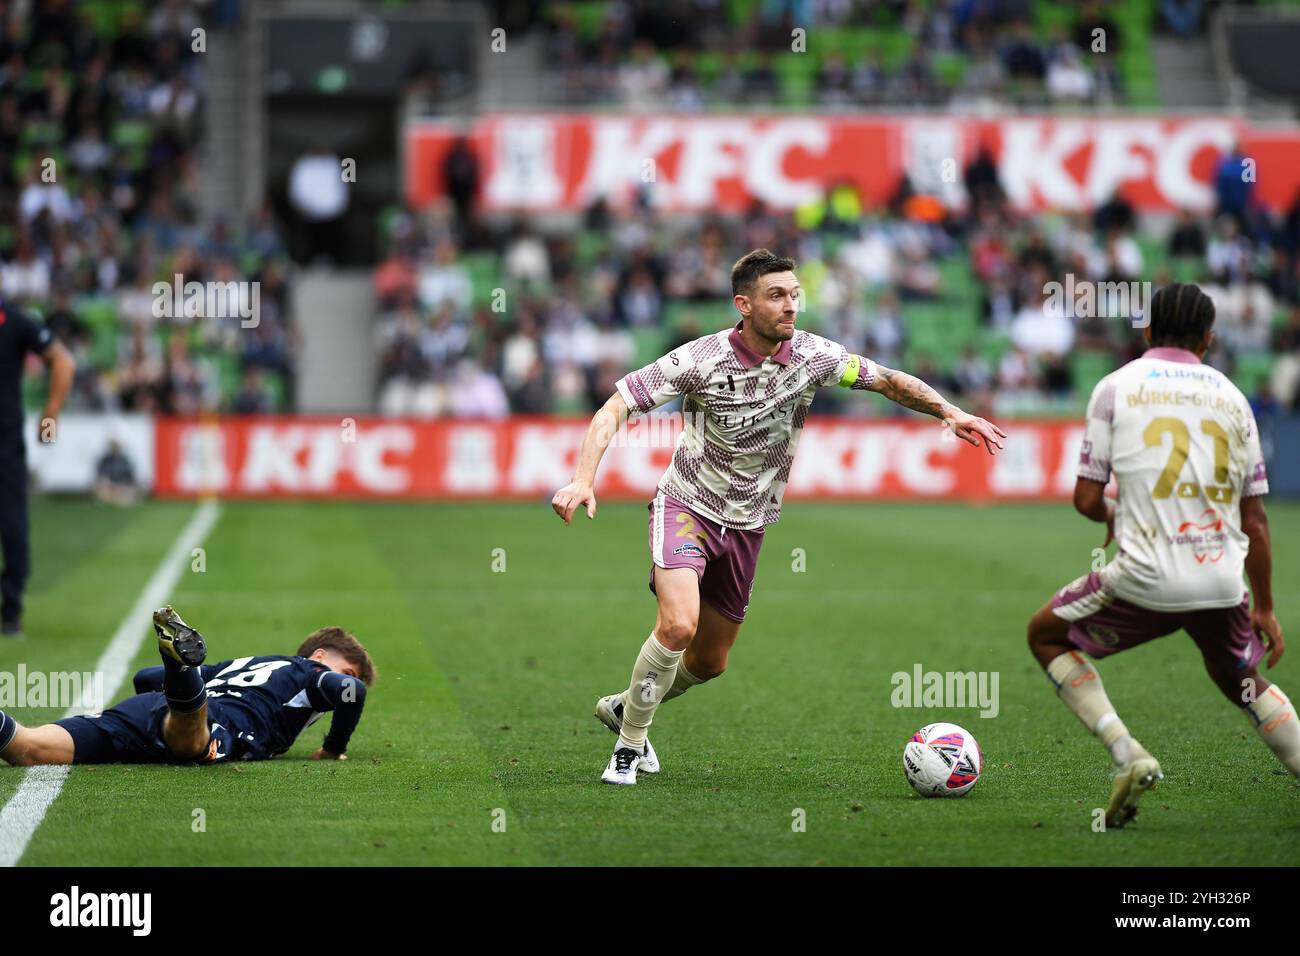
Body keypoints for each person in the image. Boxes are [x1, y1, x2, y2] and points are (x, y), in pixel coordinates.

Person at [551, 249, 1006, 785]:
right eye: (776, 296)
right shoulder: (699, 359)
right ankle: (629, 748)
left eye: (795, 295)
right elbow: (617, 405)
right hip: (686, 507)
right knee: (677, 625)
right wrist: (583, 478)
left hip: (749, 523)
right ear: (743, 304)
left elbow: (885, 380)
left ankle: (626, 706)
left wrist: (949, 411)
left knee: (709, 662)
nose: (791, 306)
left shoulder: (814, 355)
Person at [1026, 283, 1296, 829]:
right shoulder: (1233, 398)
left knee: (1045, 634)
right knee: (1239, 678)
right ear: (1209, 338)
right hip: (1222, 581)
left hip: (1145, 577)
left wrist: (1111, 516)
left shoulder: (1114, 388)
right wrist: (1264, 606)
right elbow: (1257, 521)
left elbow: (1084, 499)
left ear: (1146, 332)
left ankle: (1127, 753)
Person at [0, 606, 376, 766]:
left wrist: (155, 717)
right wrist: (332, 750)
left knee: (26, 748)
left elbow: (145, 679)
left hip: (149, 711)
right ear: (321, 656)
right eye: (350, 670)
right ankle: (178, 667)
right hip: (217, 721)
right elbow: (351, 694)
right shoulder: (309, 675)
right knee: (192, 746)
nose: (351, 681)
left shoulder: (251, 664)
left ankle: (180, 676)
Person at [0, 297, 75, 638]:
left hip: (6, 448)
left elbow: (62, 361)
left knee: (13, 532)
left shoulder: (15, 322)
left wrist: (51, 413)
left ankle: (11, 611)